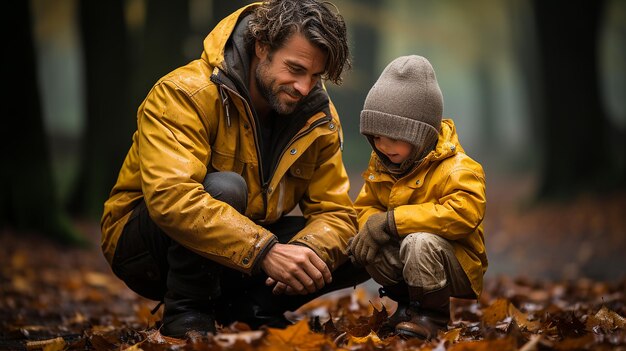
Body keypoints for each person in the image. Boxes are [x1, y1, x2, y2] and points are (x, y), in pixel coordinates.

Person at [100, 0, 368, 338]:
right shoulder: (184, 93)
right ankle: (188, 313)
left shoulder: (318, 115)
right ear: (262, 46)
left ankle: (247, 311)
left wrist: (309, 250)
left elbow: (336, 212)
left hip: (243, 248)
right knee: (226, 188)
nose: (304, 87)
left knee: (362, 245)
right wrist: (265, 251)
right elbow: (171, 198)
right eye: (296, 69)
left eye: (316, 76)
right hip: (145, 249)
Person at [347, 55, 487, 339]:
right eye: (375, 137)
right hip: (409, 256)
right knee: (372, 242)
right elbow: (367, 203)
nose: (383, 146)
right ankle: (407, 308)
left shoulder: (459, 168)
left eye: (394, 138)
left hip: (455, 262)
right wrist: (370, 225)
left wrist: (391, 222)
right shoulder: (383, 165)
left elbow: (463, 214)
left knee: (418, 241)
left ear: (421, 135)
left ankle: (432, 316)